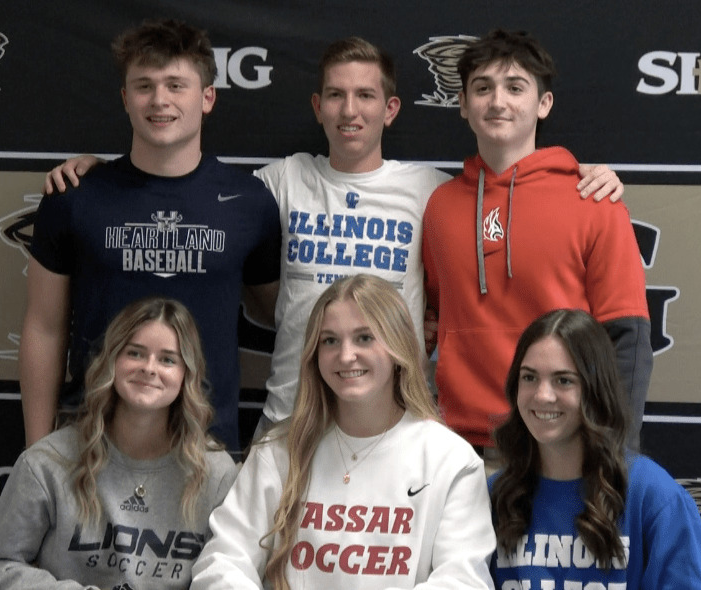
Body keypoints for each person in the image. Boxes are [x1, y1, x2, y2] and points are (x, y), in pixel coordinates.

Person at [44, 36, 624, 438]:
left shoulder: (434, 193)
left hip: (397, 422)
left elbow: (501, 203)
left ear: (390, 109)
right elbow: (187, 186)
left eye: (366, 96)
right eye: (337, 96)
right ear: (317, 107)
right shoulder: (276, 184)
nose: (351, 111)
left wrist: (584, 175)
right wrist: (99, 172)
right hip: (289, 419)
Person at [21, 18, 282, 452]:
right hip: (92, 443)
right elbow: (44, 329)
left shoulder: (249, 202)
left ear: (207, 97)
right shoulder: (75, 197)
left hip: (204, 446)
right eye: (144, 86)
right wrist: (37, 452)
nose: (159, 100)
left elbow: (278, 312)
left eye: (176, 85)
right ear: (126, 99)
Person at [422, 30, 652, 457]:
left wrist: (615, 456)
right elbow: (434, 320)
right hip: (456, 447)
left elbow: (627, 339)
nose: (497, 101)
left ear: (543, 104)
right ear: (463, 105)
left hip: (558, 445)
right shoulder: (439, 207)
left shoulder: (593, 200)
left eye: (515, 88)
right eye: (482, 88)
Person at [189, 274, 495, 590]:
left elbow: (462, 581)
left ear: (398, 347)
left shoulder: (451, 461)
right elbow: (220, 564)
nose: (346, 356)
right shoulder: (279, 451)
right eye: (330, 341)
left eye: (364, 338)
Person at [0, 297, 239, 590]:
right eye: (135, 353)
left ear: (187, 374)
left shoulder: (216, 473)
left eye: (167, 359)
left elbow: (232, 574)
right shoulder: (47, 462)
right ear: (111, 360)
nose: (149, 368)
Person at [490, 308, 701, 589]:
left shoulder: (652, 495)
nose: (542, 395)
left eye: (563, 380)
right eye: (529, 377)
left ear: (595, 390)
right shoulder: (495, 495)